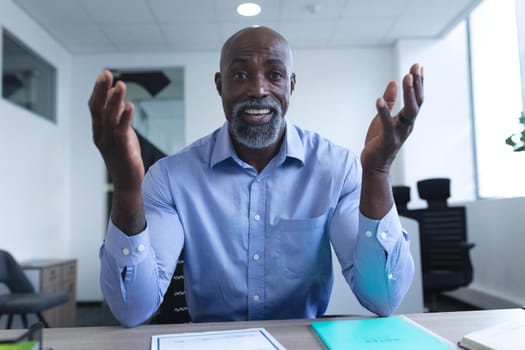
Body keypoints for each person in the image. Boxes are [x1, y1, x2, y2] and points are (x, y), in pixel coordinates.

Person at [89, 26, 423, 328]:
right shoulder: (172, 177)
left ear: (291, 85)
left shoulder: (337, 168)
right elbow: (132, 310)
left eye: (274, 74)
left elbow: (384, 298)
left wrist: (377, 172)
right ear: (219, 85)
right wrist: (127, 186)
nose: (258, 89)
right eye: (240, 75)